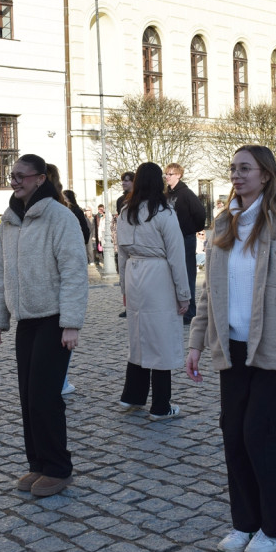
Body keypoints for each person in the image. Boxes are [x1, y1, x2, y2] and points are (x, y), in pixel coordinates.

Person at [185, 144, 276, 552]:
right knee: (235, 438)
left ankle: (275, 527)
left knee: (266, 439)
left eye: (245, 169)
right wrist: (196, 340)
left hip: (274, 351)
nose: (236, 175)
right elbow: (209, 293)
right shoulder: (225, 224)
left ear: (265, 175)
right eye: (233, 169)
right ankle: (244, 522)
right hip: (233, 350)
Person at [0, 154, 88, 498]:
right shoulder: (9, 220)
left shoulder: (60, 218)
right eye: (11, 175)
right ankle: (38, 464)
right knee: (28, 398)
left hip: (54, 319)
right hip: (26, 321)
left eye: (20, 175)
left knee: (46, 397)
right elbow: (1, 273)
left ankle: (58, 468)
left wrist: (71, 323)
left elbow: (75, 271)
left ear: (40, 178)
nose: (14, 180)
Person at [117, 162, 190, 420]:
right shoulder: (163, 213)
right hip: (158, 276)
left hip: (134, 273)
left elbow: (122, 255)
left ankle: (132, 396)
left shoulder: (126, 212)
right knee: (162, 340)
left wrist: (124, 288)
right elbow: (176, 256)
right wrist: (184, 294)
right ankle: (161, 405)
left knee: (138, 336)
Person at [48, 163, 87, 397]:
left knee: (61, 336)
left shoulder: (64, 213)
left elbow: (74, 272)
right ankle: (60, 380)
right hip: (52, 287)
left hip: (58, 285)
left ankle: (60, 380)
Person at [164, 163, 206, 324]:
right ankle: (177, 308)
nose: (167, 176)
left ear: (178, 175)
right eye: (166, 174)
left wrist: (191, 229)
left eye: (171, 174)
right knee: (172, 275)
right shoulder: (166, 195)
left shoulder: (186, 193)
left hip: (185, 238)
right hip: (170, 240)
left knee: (187, 274)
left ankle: (190, 312)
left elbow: (200, 213)